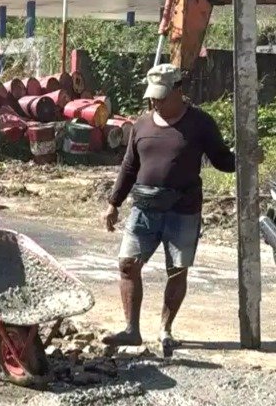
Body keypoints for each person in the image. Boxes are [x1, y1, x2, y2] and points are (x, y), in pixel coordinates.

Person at [103, 63, 255, 352]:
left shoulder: (200, 124)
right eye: (152, 97)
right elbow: (129, 166)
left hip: (182, 209)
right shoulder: (142, 124)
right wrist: (113, 203)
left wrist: (246, 158)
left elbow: (222, 161)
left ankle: (165, 330)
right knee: (127, 265)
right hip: (144, 208)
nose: (155, 102)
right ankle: (131, 330)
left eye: (161, 96)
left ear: (178, 89)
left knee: (177, 271)